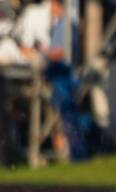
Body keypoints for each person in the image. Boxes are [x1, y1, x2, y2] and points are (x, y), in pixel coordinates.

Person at [24, 0, 87, 160]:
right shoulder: (61, 25)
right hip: (59, 75)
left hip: (63, 75)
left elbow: (61, 53)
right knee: (63, 117)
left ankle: (77, 153)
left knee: (68, 116)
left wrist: (40, 51)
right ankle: (70, 152)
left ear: (56, 4)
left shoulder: (65, 26)